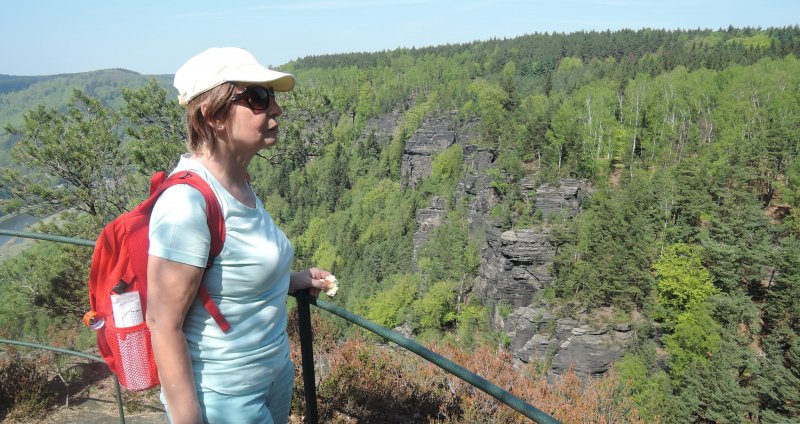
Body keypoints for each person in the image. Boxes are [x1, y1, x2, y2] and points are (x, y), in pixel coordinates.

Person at [145, 47, 331, 424]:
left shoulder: (239, 183)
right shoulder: (186, 204)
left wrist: (294, 280)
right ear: (213, 115)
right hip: (226, 397)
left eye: (272, 98)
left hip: (274, 374)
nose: (276, 109)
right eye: (258, 98)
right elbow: (163, 324)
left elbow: (231, 274)